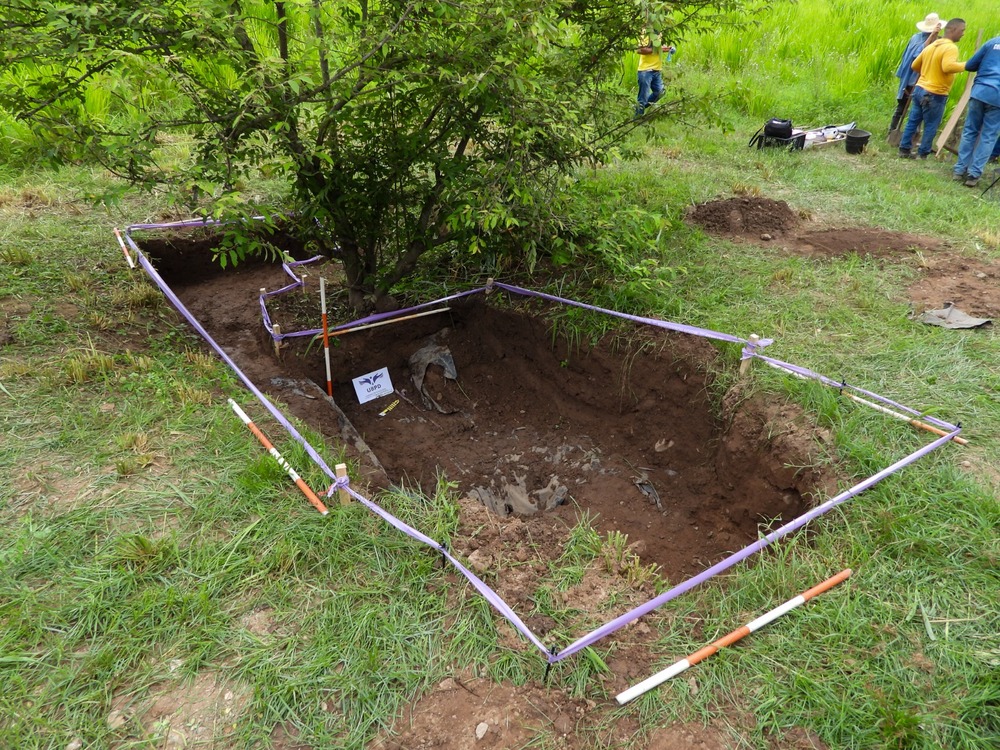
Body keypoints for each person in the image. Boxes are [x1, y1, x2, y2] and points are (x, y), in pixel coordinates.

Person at [898, 18, 967, 159]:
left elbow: (915, 66)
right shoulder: (950, 48)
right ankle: (923, 152)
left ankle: (904, 149)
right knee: (931, 124)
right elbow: (947, 67)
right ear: (952, 30)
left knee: (913, 121)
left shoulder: (931, 46)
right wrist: (968, 64)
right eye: (962, 30)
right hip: (935, 93)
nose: (963, 34)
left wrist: (927, 71)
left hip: (920, 89)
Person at [952, 36, 1000, 187]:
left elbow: (971, 65)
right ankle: (974, 174)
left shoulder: (992, 42)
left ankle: (959, 170)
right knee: (988, 136)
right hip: (997, 98)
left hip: (979, 92)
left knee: (970, 131)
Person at [891, 13, 944, 133]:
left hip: (926, 79)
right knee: (902, 106)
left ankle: (914, 134)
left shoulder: (939, 41)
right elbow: (917, 55)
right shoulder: (916, 38)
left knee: (919, 109)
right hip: (912, 78)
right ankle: (893, 130)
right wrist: (931, 37)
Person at [635, 28, 675, 117]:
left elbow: (660, 45)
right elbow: (640, 50)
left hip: (657, 69)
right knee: (643, 96)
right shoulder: (645, 32)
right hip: (645, 70)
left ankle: (639, 109)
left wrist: (669, 48)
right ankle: (637, 118)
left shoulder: (659, 32)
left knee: (660, 92)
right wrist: (659, 49)